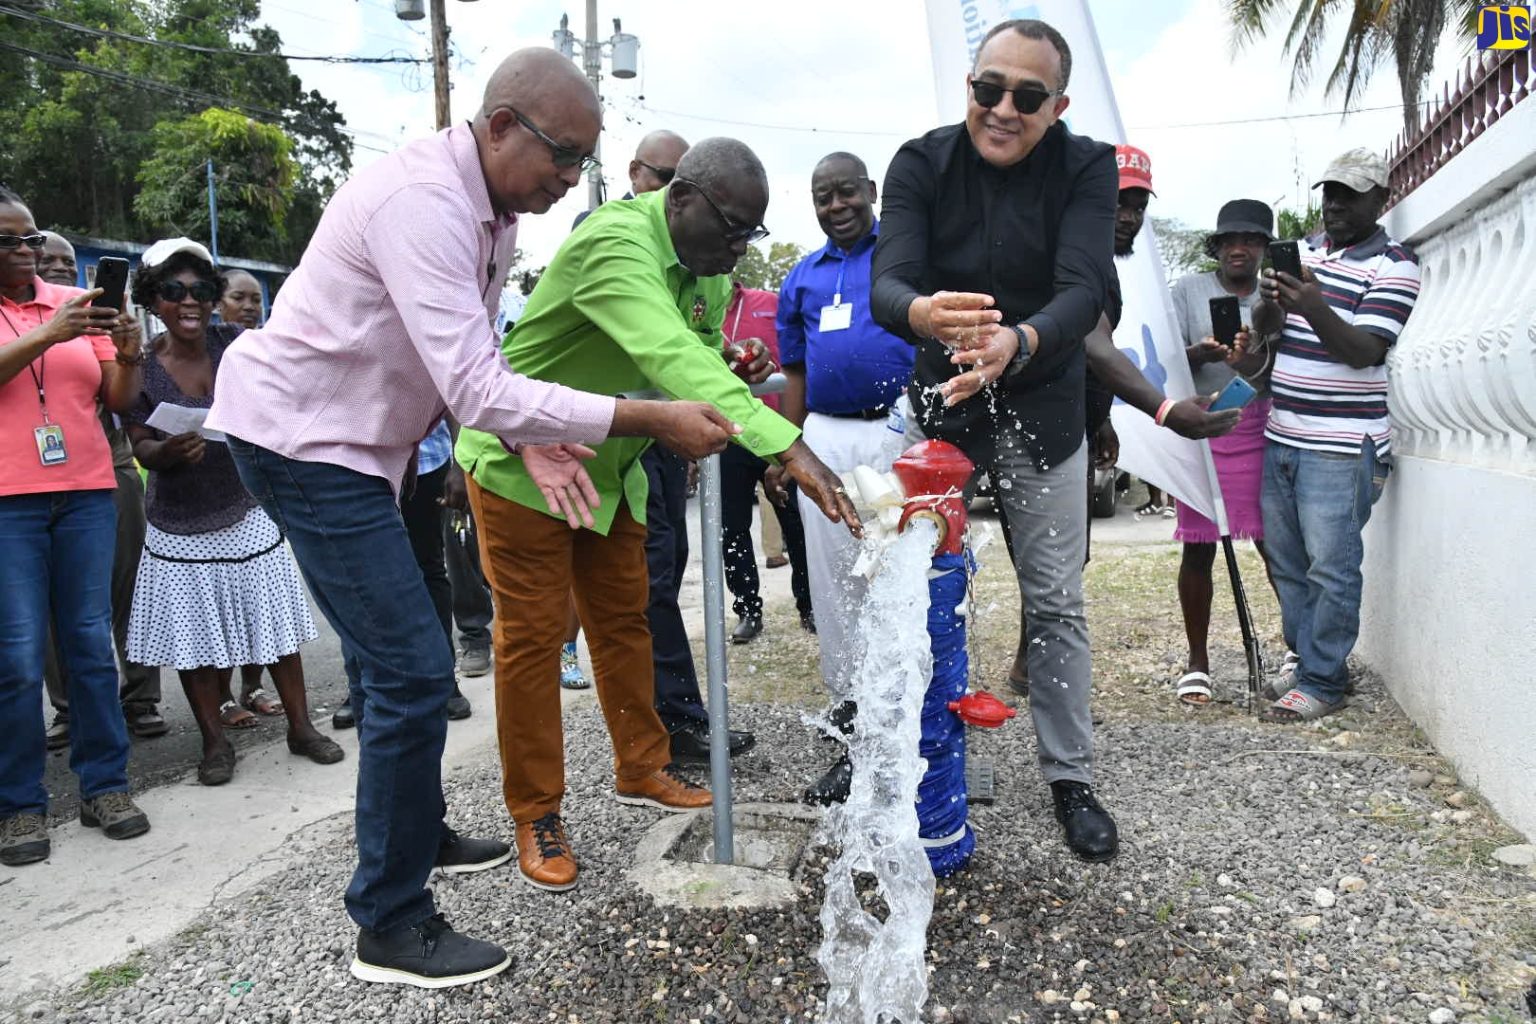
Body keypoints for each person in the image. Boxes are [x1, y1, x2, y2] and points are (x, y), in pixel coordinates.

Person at [207, 49, 737, 988]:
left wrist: (529, 438)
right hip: (303, 440)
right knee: (415, 671)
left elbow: (454, 362)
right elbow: (478, 379)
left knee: (392, 661)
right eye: (562, 156)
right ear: (499, 126)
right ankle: (390, 920)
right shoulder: (426, 203)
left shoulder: (489, 212)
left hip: (368, 446)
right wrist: (642, 416)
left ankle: (418, 826)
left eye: (585, 162)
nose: (573, 180)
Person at [456, 136, 861, 894]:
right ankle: (536, 811)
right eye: (730, 228)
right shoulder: (615, 242)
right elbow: (668, 352)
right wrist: (789, 449)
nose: (738, 248)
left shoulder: (705, 265)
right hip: (524, 464)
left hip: (608, 468)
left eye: (751, 234)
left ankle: (641, 764)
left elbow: (697, 347)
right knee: (533, 645)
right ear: (681, 200)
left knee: (626, 623)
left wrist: (728, 361)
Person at [870, 18, 1121, 862]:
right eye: (988, 89)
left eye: (1027, 95)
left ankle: (1070, 776)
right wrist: (921, 315)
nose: (1003, 109)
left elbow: (1086, 287)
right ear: (970, 84)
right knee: (911, 593)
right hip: (940, 408)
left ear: (1059, 105)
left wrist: (1018, 343)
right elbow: (888, 283)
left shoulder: (1087, 168)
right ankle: (893, 755)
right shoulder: (919, 162)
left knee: (1055, 601)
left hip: (1045, 408)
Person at [1003, 144, 1239, 697]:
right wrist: (1164, 410)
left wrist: (1102, 418)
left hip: (1073, 428)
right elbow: (1094, 346)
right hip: (1038, 432)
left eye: (1137, 204)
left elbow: (1082, 360)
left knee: (1063, 556)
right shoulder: (1073, 262)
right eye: (1117, 202)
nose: (1128, 215)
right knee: (1055, 558)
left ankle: (1027, 665)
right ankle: (1032, 672)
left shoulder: (1097, 266)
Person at [121, 239, 344, 786]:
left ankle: (300, 727)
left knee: (278, 634)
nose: (189, 300)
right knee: (197, 646)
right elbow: (138, 444)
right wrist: (164, 455)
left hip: (246, 510)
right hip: (179, 526)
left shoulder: (237, 343)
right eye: (173, 291)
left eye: (200, 289)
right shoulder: (144, 370)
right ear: (154, 300)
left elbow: (283, 394)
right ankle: (215, 744)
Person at [1229, 148, 1420, 723]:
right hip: (1284, 433)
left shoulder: (1395, 264)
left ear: (1380, 199)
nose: (1334, 204)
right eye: (1329, 192)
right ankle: (1310, 659)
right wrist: (1269, 306)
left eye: (1350, 194)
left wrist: (1311, 305)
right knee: (1286, 561)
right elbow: (1269, 333)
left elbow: (1364, 351)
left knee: (1331, 566)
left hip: (1342, 447)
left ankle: (1323, 679)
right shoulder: (1305, 251)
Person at [0, 186, 151, 867]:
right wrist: (44, 336)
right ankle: (20, 807)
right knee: (18, 657)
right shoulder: (56, 322)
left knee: (91, 646)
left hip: (86, 491)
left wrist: (128, 356)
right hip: (9, 503)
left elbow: (115, 402)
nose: (27, 251)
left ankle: (105, 787)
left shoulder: (73, 305)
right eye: (11, 240)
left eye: (32, 238)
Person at [776, 151, 916, 805]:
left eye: (846, 193)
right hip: (826, 438)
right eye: (822, 196)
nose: (836, 206)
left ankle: (912, 725)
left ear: (871, 191)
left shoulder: (908, 256)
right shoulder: (801, 278)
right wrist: (788, 447)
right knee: (836, 589)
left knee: (901, 579)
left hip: (900, 432)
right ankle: (854, 730)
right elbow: (796, 374)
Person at [35, 235, 168, 747]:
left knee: (126, 585)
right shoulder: (23, 321)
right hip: (33, 473)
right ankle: (69, 707)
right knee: (49, 600)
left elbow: (122, 395)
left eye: (69, 261)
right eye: (49, 261)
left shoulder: (100, 322)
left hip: (107, 458)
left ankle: (140, 698)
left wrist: (126, 351)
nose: (61, 268)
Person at [1167, 198, 1278, 705]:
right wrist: (1198, 353)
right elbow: (1160, 358)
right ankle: (1198, 662)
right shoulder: (1187, 290)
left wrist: (1247, 355)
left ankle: (1297, 648)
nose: (1239, 249)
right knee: (1199, 545)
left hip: (1258, 422)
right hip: (1201, 424)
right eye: (1229, 240)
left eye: (1251, 240)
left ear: (1263, 249)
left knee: (1274, 542)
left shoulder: (1276, 295)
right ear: (1216, 247)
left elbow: (1283, 366)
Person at [720, 281, 813, 641]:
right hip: (730, 436)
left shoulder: (769, 303)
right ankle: (748, 610)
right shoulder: (700, 314)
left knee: (796, 521)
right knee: (733, 528)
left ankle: (808, 604)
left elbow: (793, 360)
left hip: (775, 430)